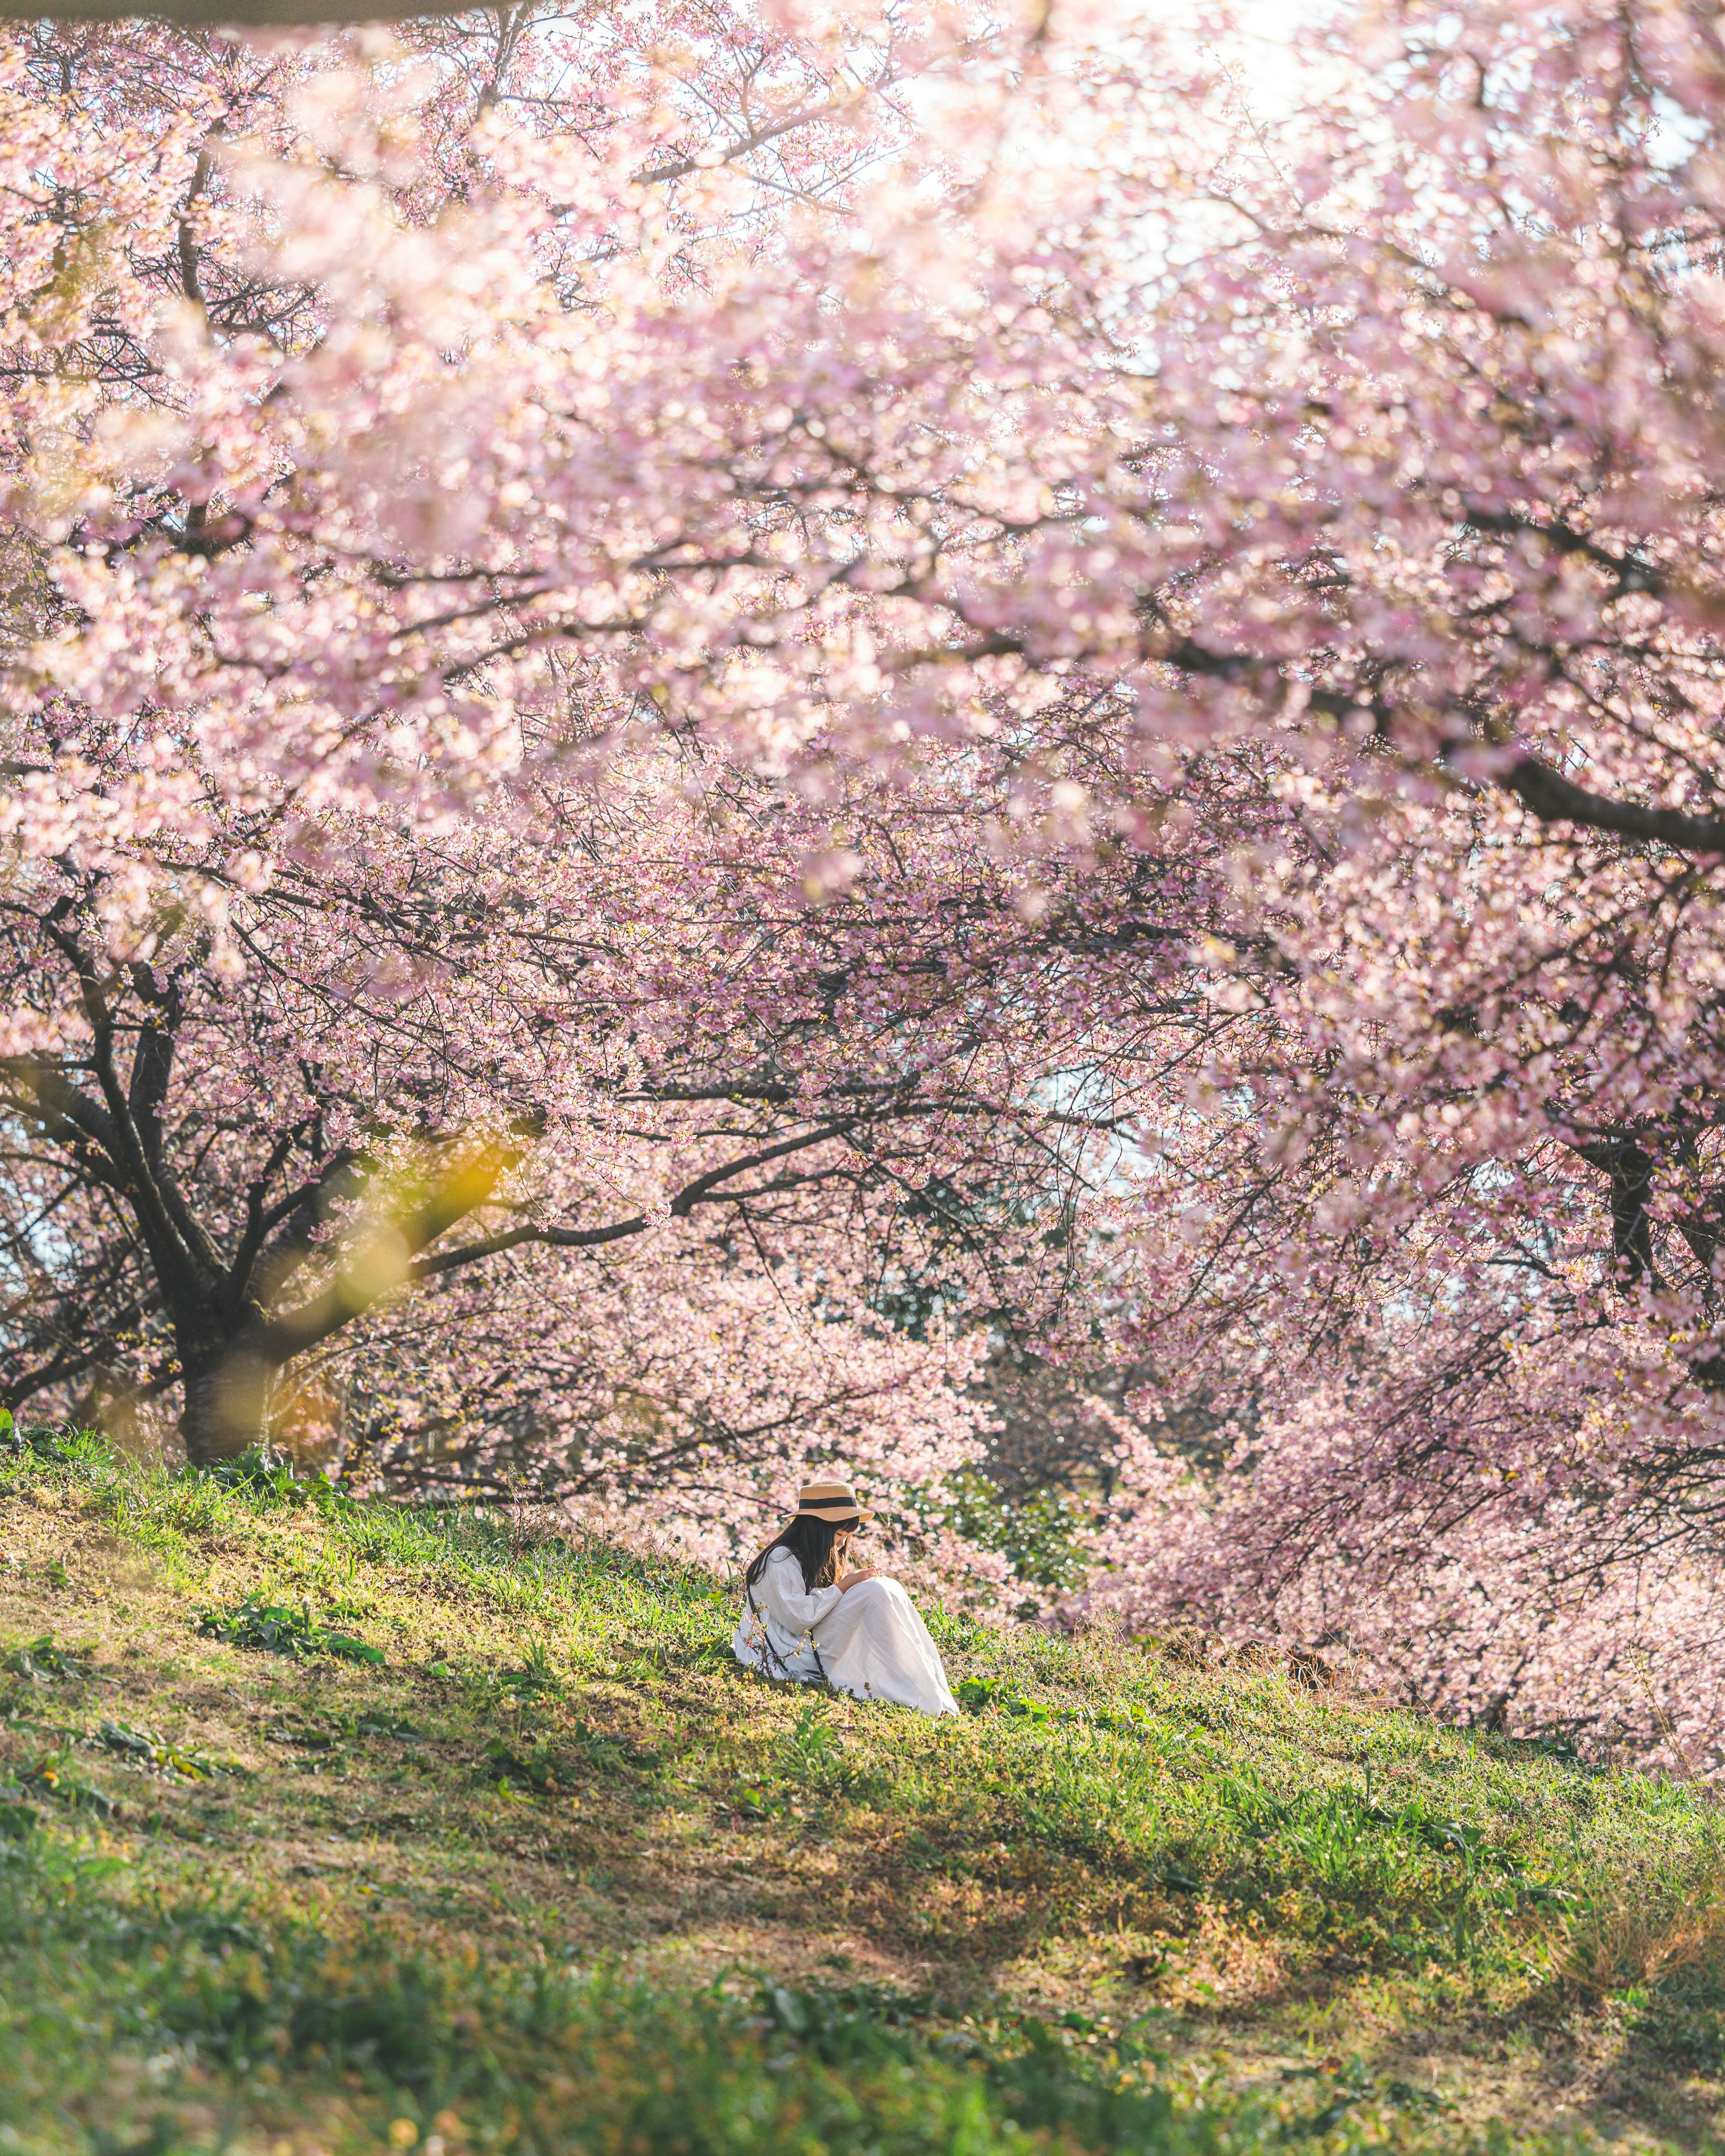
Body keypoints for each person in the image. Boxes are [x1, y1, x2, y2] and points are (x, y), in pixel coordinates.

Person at [731, 1478, 959, 1718]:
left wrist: (852, 1586)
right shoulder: (779, 1559)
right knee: (874, 1592)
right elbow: (797, 1618)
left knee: (884, 1588)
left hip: (807, 1641)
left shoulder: (812, 1556)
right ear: (817, 1528)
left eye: (846, 1537)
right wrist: (847, 1585)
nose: (841, 1545)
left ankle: (917, 1684)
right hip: (787, 1650)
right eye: (839, 1534)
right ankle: (909, 1688)